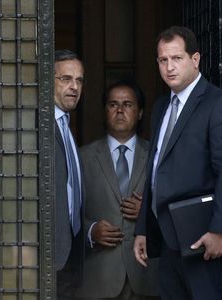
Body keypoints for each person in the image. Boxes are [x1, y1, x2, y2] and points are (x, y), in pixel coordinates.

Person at [133, 26, 222, 300]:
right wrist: (143, 229)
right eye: (163, 60)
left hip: (206, 238)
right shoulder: (161, 107)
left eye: (177, 58)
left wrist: (221, 230)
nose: (169, 67)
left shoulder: (221, 105)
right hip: (168, 239)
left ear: (195, 60)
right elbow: (155, 169)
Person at [75, 81, 160, 299]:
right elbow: (66, 211)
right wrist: (91, 230)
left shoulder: (157, 155)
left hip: (146, 274)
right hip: (99, 277)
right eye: (113, 104)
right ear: (104, 111)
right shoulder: (82, 157)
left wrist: (148, 212)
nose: (120, 110)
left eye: (127, 104)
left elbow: (174, 203)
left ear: (140, 112)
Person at [54, 49, 85, 298]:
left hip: (72, 250)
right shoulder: (38, 125)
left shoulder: (66, 126)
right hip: (46, 253)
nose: (74, 86)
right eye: (65, 79)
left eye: (79, 80)